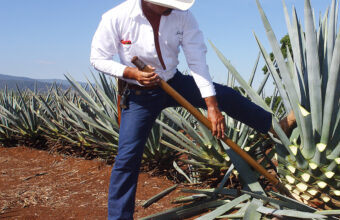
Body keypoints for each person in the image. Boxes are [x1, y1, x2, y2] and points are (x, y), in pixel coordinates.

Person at [90, 0, 295, 219]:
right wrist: (132, 74)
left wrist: (212, 106)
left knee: (227, 96)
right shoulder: (116, 17)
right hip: (140, 94)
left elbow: (196, 60)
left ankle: (273, 127)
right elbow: (98, 59)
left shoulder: (182, 16)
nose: (176, 6)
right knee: (127, 157)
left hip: (173, 82)